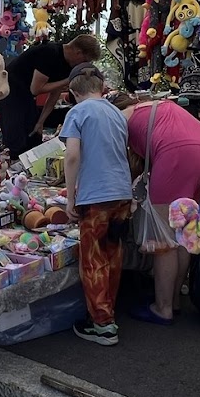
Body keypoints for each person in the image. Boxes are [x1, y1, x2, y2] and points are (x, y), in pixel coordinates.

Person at [119, 94, 200, 325]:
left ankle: (162, 308)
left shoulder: (120, 116)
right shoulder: (156, 107)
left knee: (163, 239)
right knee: (182, 234)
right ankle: (173, 300)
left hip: (176, 156)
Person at [61, 64, 133, 346]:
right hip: (121, 192)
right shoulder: (116, 112)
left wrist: (70, 197)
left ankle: (102, 323)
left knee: (93, 259)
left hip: (95, 195)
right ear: (102, 87)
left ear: (72, 91)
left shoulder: (77, 112)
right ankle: (109, 309)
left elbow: (72, 156)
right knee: (113, 254)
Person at [0, 33, 102, 159]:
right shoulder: (50, 53)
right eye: (85, 60)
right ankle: (13, 164)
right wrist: (68, 80)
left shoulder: (68, 65)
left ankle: (30, 165)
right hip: (9, 91)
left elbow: (54, 94)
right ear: (78, 52)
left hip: (26, 95)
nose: (82, 65)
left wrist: (41, 122)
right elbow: (36, 89)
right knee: (16, 138)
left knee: (33, 135)